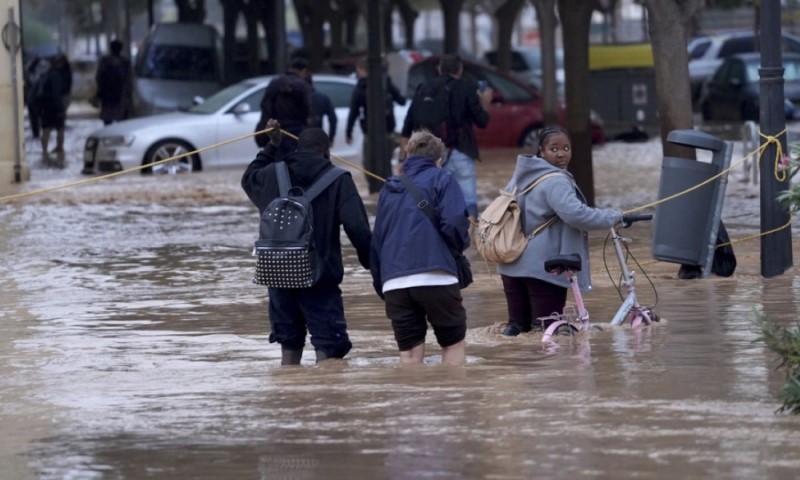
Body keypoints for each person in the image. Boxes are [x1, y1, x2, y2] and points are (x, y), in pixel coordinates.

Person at [241, 119, 372, 365]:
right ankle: (322, 390)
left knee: (289, 345)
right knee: (329, 349)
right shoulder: (339, 179)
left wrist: (272, 146)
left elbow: (248, 178)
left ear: (297, 148)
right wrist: (373, 265)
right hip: (320, 279)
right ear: (327, 152)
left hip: (279, 277)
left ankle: (292, 388)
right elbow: (358, 229)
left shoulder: (272, 173)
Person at [497, 125, 623, 337]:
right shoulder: (556, 180)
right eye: (554, 149)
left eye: (566, 148)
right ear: (541, 151)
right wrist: (614, 216)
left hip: (510, 264)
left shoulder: (520, 176)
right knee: (548, 332)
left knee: (517, 331)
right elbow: (577, 215)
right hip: (544, 269)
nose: (562, 154)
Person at [370, 129, 470, 365]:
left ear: (407, 156)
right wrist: (458, 248)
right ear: (439, 160)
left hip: (394, 282)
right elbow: (454, 224)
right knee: (452, 344)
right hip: (437, 276)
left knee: (409, 354)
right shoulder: (443, 179)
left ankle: (412, 389)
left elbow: (377, 240)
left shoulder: (389, 187)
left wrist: (382, 283)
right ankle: (455, 390)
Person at [400, 54, 492, 222]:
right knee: (468, 200)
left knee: (430, 200)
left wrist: (403, 158)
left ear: (439, 69)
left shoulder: (423, 88)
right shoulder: (466, 87)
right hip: (459, 150)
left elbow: (408, 125)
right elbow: (482, 121)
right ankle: (469, 234)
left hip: (427, 155)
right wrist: (485, 103)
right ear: (460, 70)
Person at [345, 56, 406, 194]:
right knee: (386, 164)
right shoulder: (386, 84)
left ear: (362, 70)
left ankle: (376, 190)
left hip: (371, 133)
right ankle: (388, 190)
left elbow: (354, 111)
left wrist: (349, 131)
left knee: (370, 165)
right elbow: (401, 100)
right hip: (387, 131)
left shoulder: (362, 87)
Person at [253, 57, 312, 155]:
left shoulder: (274, 83)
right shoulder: (303, 85)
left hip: (276, 131)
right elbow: (308, 110)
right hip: (296, 132)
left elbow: (265, 106)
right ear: (304, 71)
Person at [38, 54, 72, 155]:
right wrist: (60, 108)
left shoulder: (50, 73)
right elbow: (57, 93)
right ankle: (57, 148)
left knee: (47, 129)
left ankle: (46, 150)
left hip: (47, 106)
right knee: (58, 128)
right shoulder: (60, 74)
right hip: (54, 106)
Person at [95, 39, 132, 125]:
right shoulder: (125, 63)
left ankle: (109, 133)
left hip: (106, 96)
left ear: (110, 48)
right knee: (121, 121)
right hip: (120, 96)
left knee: (107, 121)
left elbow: (98, 77)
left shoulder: (104, 61)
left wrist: (100, 90)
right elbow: (128, 80)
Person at [307, 74, 337, 146]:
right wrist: (330, 138)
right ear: (312, 83)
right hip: (317, 137)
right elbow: (333, 120)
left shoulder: (294, 99)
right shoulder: (323, 98)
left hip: (297, 137)